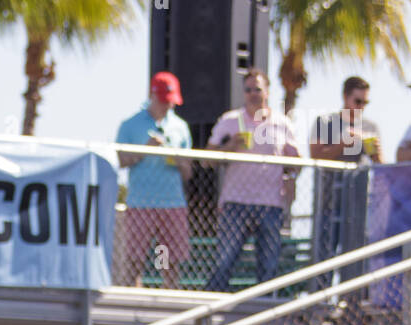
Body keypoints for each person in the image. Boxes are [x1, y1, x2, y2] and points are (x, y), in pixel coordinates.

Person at [206, 69, 300, 293]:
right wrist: (230, 146)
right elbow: (206, 159)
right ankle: (210, 309)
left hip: (270, 205)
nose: (252, 94)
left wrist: (291, 177)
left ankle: (265, 314)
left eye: (257, 89)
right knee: (224, 262)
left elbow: (296, 161)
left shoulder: (282, 123)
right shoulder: (230, 120)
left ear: (267, 91)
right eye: (248, 90)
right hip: (235, 203)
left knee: (268, 266)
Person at [116, 71, 192, 289]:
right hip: (141, 202)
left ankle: (167, 300)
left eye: (171, 102)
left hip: (172, 203)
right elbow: (120, 161)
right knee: (136, 258)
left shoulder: (180, 127)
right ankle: (133, 300)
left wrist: (177, 159)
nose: (167, 106)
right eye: (163, 101)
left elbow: (188, 173)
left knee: (168, 260)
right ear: (153, 95)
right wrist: (144, 150)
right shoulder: (130, 125)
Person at [309, 77, 382, 266]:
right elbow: (315, 156)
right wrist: (343, 143)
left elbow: (380, 165)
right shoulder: (325, 122)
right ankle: (321, 295)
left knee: (356, 263)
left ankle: (352, 297)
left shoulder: (371, 127)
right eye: (357, 101)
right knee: (324, 260)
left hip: (358, 205)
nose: (361, 107)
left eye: (365, 102)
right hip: (329, 203)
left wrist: (375, 151)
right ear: (345, 97)